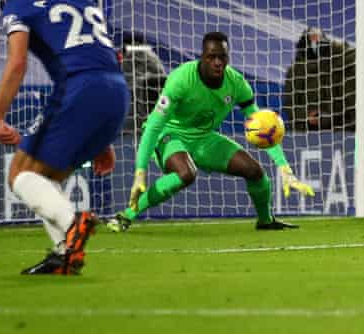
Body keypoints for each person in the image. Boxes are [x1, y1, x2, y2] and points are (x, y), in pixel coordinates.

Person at [0, 0, 130, 275]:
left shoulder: (20, 4)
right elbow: (100, 54)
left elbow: (18, 62)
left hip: (78, 88)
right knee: (46, 176)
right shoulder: (84, 0)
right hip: (116, 89)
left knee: (20, 174)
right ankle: (64, 255)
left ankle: (72, 226)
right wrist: (102, 138)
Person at [107, 32, 314, 233]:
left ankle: (266, 220)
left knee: (255, 171)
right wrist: (140, 173)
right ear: (202, 57)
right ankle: (127, 214)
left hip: (203, 138)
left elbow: (264, 129)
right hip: (170, 135)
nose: (217, 62)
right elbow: (153, 127)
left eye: (222, 57)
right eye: (211, 57)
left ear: (228, 58)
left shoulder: (237, 84)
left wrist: (285, 169)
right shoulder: (181, 79)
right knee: (186, 174)